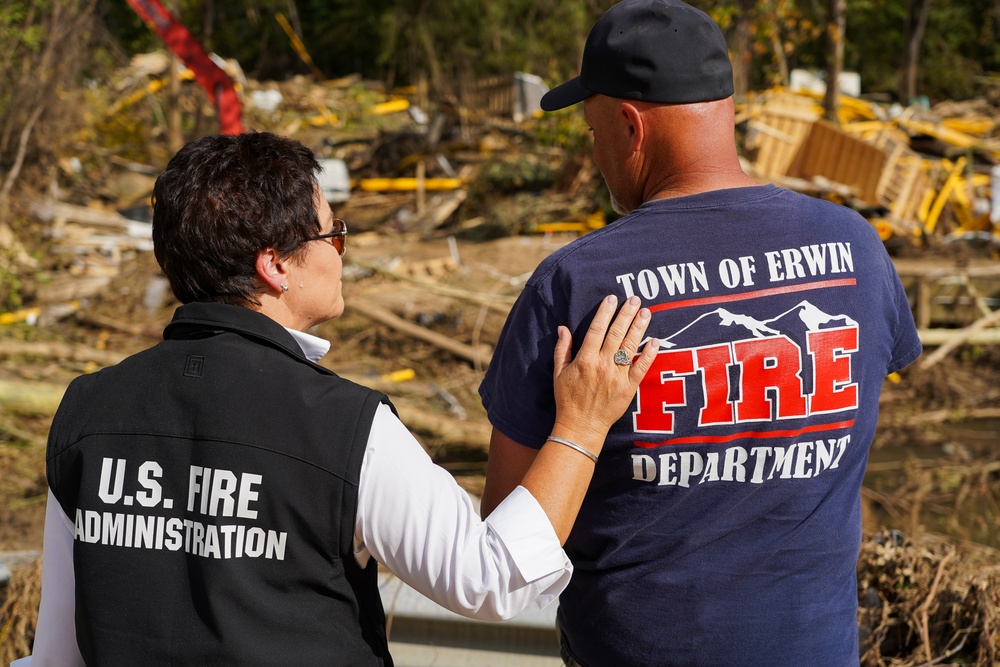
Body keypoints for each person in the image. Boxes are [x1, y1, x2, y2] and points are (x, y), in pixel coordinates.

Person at [25, 131, 660, 666]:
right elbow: (488, 577)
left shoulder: (86, 413)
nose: (341, 254)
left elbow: (58, 653)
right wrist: (580, 422)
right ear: (277, 266)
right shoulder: (346, 429)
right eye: (335, 235)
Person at [478, 1, 923, 665]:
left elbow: (506, 539)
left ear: (630, 125)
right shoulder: (856, 249)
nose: (595, 153)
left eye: (593, 130)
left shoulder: (573, 285)